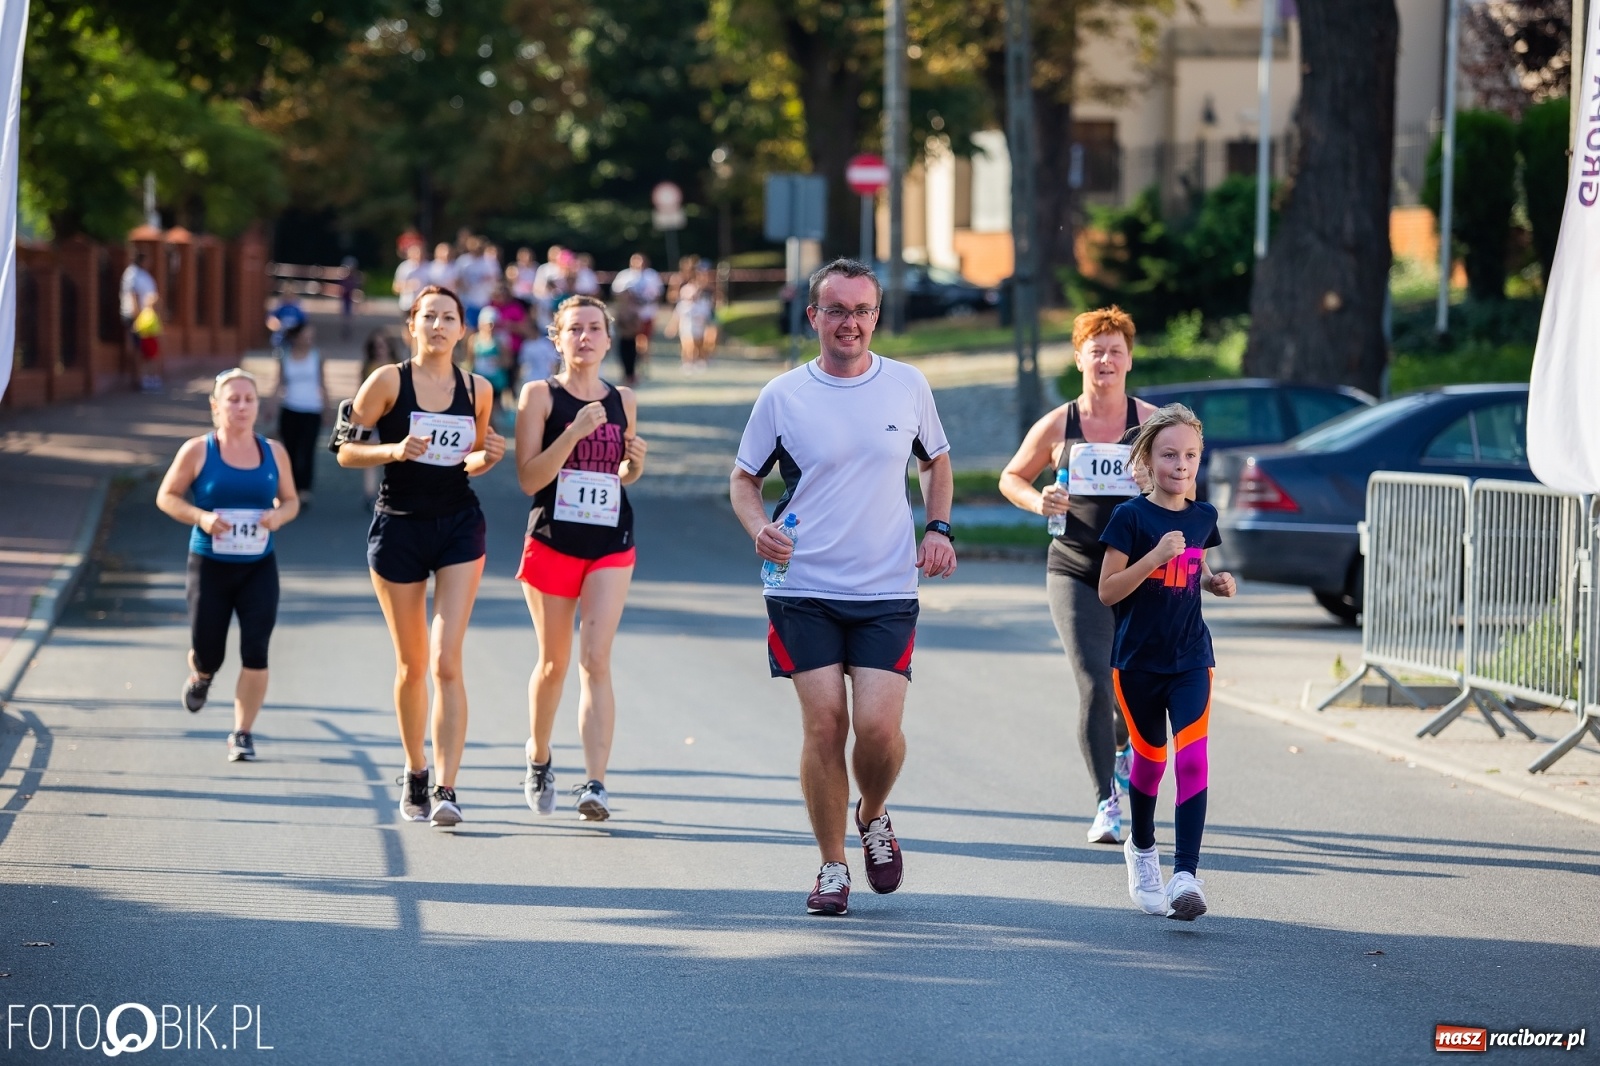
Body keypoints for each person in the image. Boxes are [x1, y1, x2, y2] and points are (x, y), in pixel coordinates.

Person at [729, 258, 957, 917]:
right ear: (814, 317)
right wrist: (757, 527)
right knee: (826, 726)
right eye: (836, 310)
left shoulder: (908, 386)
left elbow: (937, 461)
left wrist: (938, 528)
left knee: (879, 732)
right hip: (801, 584)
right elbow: (744, 480)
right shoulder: (783, 396)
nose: (849, 322)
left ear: (876, 316)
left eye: (861, 310)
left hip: (886, 584)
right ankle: (832, 867)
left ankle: (874, 812)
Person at [335, 286, 507, 827]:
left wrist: (488, 456)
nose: (437, 325)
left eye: (448, 318)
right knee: (411, 666)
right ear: (412, 325)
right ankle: (414, 769)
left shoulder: (478, 389)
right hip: (399, 528)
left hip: (459, 525)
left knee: (445, 660)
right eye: (428, 316)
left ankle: (447, 787)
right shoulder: (388, 380)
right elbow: (344, 449)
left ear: (462, 330)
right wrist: (392, 450)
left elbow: (470, 459)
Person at [999, 306, 1157, 847]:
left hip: (1139, 573)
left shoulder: (1152, 424)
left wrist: (1158, 487)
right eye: (1097, 350)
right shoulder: (1059, 423)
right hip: (1075, 567)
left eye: (1116, 350)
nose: (1106, 360)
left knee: (1129, 688)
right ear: (1079, 359)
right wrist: (1037, 499)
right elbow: (1011, 477)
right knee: (1094, 680)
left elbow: (1188, 486)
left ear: (1130, 359)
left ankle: (1123, 749)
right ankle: (1106, 804)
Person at [1097, 404, 1235, 921]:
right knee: (1151, 762)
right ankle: (1144, 850)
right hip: (1136, 662)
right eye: (1170, 454)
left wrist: (1214, 582)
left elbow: (1194, 568)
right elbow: (1109, 591)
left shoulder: (1204, 517)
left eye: (1191, 455)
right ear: (1148, 461)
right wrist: (1153, 556)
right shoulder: (1130, 517)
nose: (1181, 465)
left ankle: (1186, 876)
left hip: (1191, 657)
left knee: (1192, 757)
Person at [513, 295, 648, 821]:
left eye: (595, 329)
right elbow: (528, 478)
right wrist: (573, 432)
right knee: (554, 663)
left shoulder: (624, 400)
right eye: (575, 329)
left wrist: (635, 464)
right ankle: (539, 754)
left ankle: (595, 784)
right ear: (558, 338)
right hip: (552, 540)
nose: (585, 338)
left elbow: (622, 477)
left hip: (611, 543)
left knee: (595, 659)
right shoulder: (539, 396)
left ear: (609, 341)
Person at [156, 369, 300, 763]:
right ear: (216, 406)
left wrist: (278, 517)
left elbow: (291, 500)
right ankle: (201, 675)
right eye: (232, 399)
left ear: (258, 406)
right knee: (209, 651)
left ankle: (242, 732)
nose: (241, 406)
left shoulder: (274, 452)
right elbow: (166, 497)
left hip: (258, 565)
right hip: (210, 565)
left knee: (256, 649)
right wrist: (200, 517)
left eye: (248, 399)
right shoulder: (198, 450)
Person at [276, 321, 330, 506]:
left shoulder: (317, 356)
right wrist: (269, 406)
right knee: (289, 450)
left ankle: (304, 489)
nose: (309, 339)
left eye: (311, 336)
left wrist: (326, 408)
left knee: (307, 450)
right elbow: (279, 383)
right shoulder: (285, 356)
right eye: (306, 335)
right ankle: (289, 488)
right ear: (297, 337)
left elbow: (322, 383)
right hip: (290, 407)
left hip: (312, 409)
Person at [610, 253, 664, 365]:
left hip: (646, 313)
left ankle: (643, 362)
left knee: (644, 340)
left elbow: (658, 294)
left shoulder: (652, 275)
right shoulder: (624, 276)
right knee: (628, 340)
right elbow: (616, 293)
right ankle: (630, 364)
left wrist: (646, 301)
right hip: (629, 316)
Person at [469, 307, 510, 427]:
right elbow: (470, 361)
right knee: (482, 413)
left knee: (490, 413)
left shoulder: (500, 340)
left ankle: (490, 438)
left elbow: (508, 361)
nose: (491, 327)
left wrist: (498, 361)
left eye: (493, 324)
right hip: (479, 381)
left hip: (496, 382)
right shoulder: (474, 340)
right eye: (488, 324)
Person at [119, 251, 158, 357]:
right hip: (134, 316)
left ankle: (145, 372)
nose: (150, 262)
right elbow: (133, 295)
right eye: (147, 260)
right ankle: (135, 372)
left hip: (146, 318)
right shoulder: (132, 274)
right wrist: (138, 317)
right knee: (135, 345)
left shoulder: (145, 275)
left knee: (145, 346)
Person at [393, 244, 426, 317]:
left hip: (423, 304)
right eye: (416, 253)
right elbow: (396, 288)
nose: (418, 255)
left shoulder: (427, 267)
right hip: (407, 304)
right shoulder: (404, 267)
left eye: (420, 253)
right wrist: (408, 285)